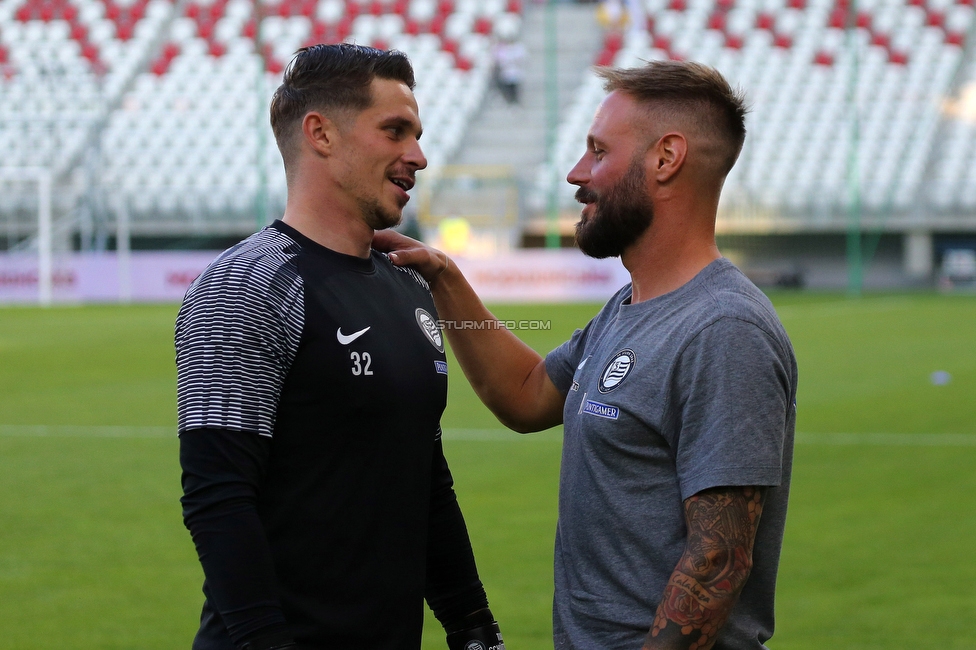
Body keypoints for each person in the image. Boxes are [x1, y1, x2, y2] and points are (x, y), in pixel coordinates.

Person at [375, 60, 797, 650]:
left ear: (665, 158)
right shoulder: (628, 309)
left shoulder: (723, 328)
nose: (577, 174)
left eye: (598, 151)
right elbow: (524, 395)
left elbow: (718, 558)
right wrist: (442, 276)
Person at [175, 44, 504, 650]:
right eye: (395, 132)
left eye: (418, 134)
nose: (419, 157)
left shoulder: (409, 285)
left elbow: (426, 479)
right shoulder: (246, 286)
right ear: (320, 134)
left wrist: (473, 625)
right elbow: (218, 498)